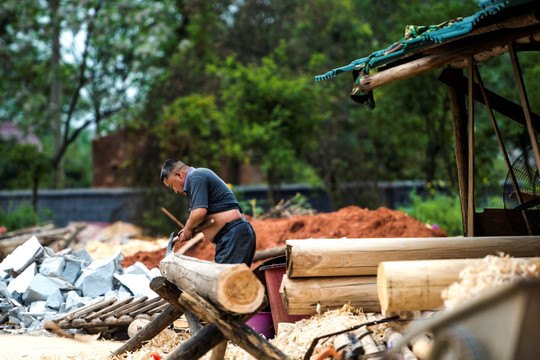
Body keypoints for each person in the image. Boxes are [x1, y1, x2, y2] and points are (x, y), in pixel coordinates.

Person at [160, 159, 256, 266]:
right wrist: (190, 228)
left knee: (226, 281)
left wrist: (188, 229)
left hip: (233, 235)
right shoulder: (197, 179)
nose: (175, 191)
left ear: (179, 175)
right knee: (232, 280)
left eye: (172, 186)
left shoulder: (196, 176)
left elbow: (199, 213)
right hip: (231, 237)